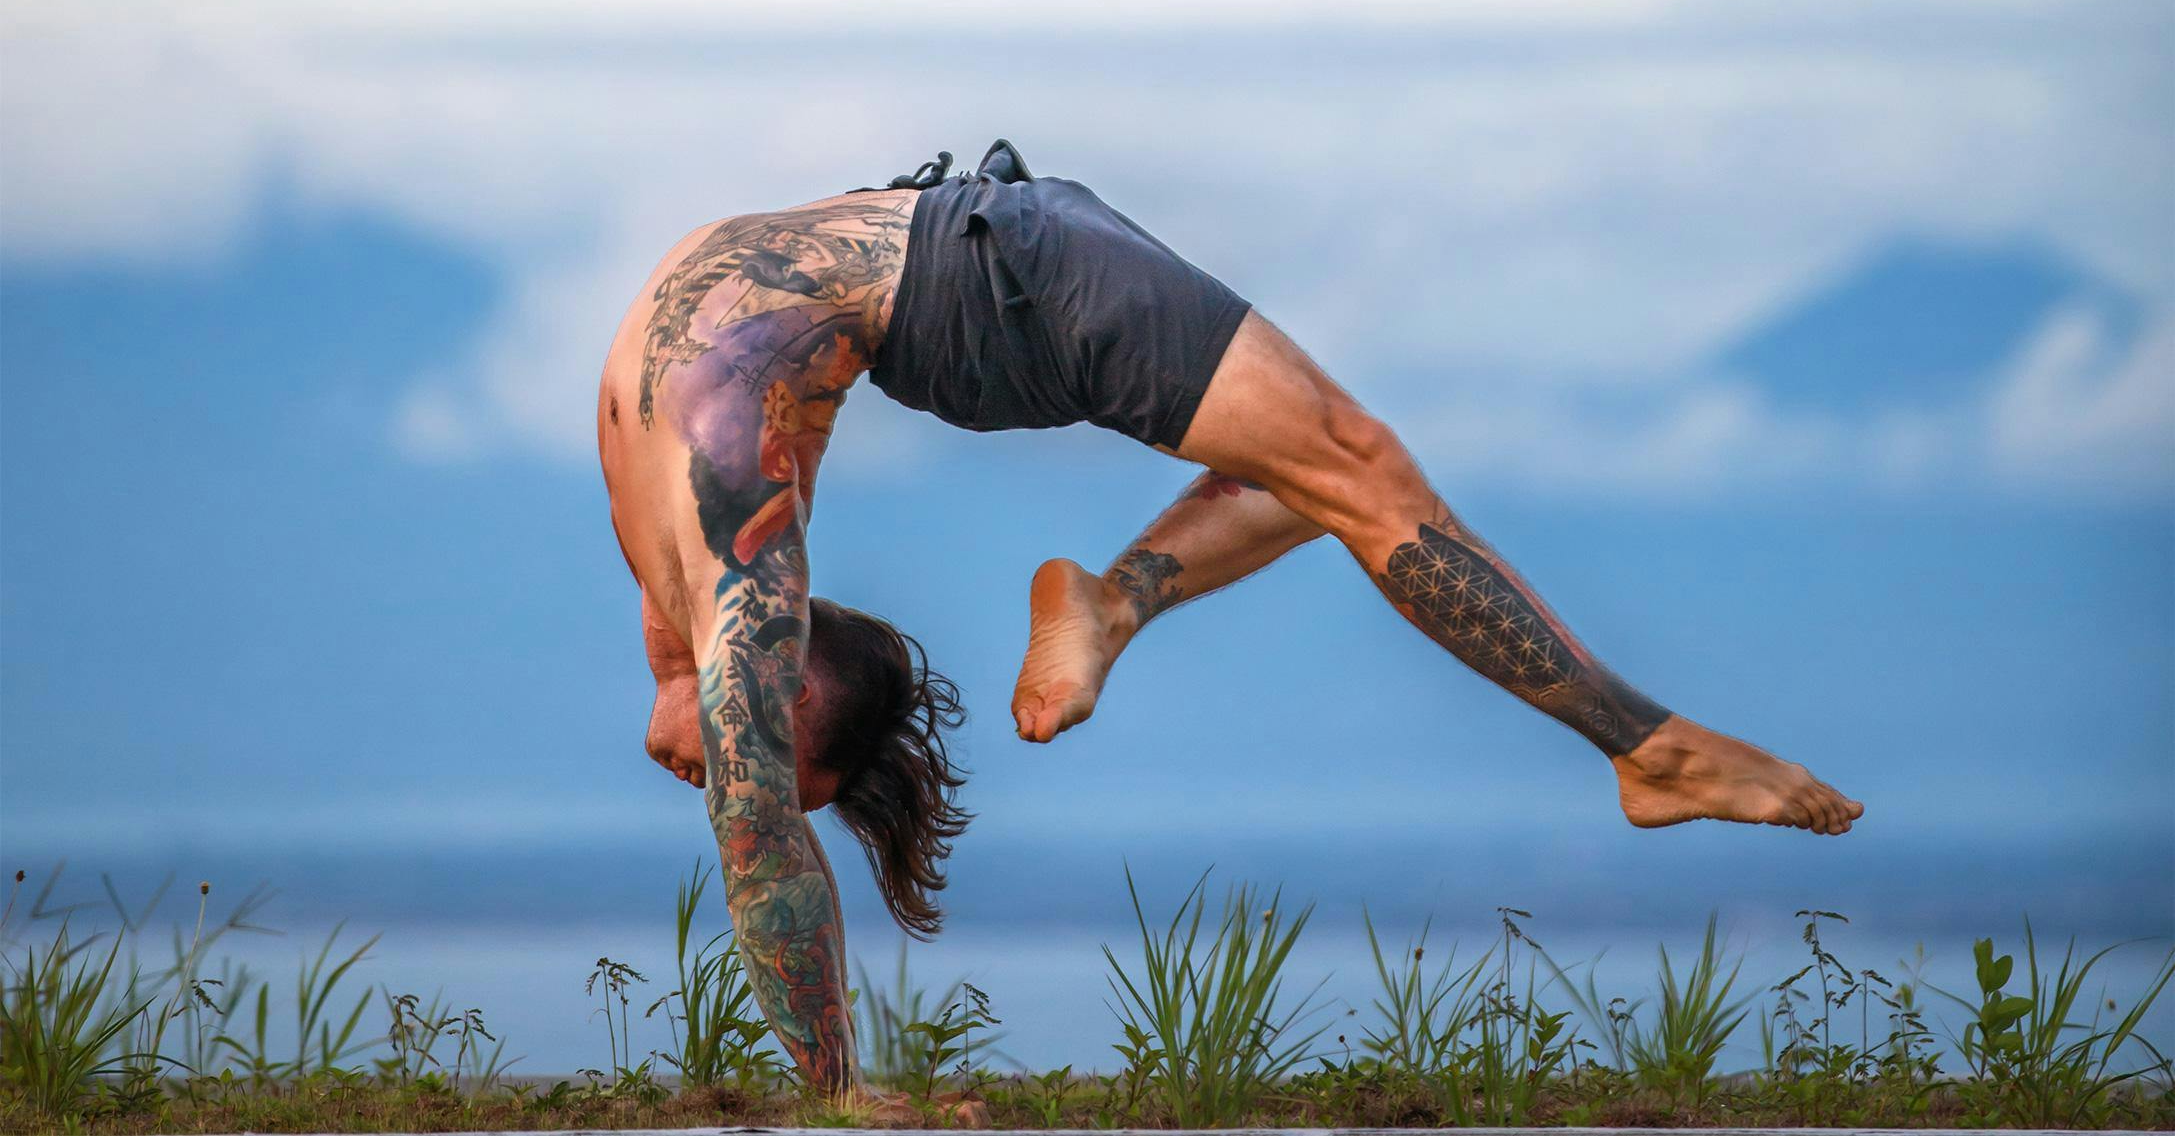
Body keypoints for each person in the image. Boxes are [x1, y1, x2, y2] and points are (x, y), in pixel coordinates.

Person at [595, 140, 1863, 1100]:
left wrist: (831, 1099)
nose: (710, 775)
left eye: (751, 751)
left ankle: (1652, 751)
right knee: (1341, 476)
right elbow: (750, 777)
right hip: (981, 263)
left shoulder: (723, 558)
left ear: (793, 691)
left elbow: (753, 814)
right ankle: (1112, 602)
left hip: (998, 272)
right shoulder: (683, 553)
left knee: (1343, 472)